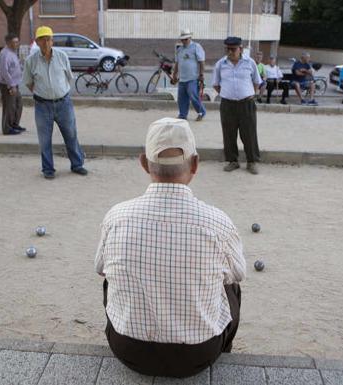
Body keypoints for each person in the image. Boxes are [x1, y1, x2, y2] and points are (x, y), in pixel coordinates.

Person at [95, 117, 245, 378]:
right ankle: (225, 351)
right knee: (231, 287)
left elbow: (100, 268)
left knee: (110, 278)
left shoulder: (116, 216)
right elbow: (238, 274)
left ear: (144, 163)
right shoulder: (218, 222)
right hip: (199, 354)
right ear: (195, 164)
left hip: (128, 349)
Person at [23, 26, 88, 179]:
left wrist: (58, 91)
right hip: (42, 106)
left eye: (48, 39)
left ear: (52, 41)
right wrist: (44, 92)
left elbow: (68, 77)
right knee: (44, 139)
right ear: (37, 42)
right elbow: (28, 82)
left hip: (63, 103)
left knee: (71, 134)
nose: (45, 42)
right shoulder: (30, 61)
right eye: (42, 39)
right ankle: (48, 169)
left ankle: (77, 165)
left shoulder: (62, 56)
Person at [212, 36, 263, 175]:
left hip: (246, 103)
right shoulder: (220, 64)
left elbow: (256, 81)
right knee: (229, 133)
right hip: (227, 104)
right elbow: (216, 84)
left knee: (249, 133)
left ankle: (251, 162)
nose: (230, 52)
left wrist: (250, 93)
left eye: (233, 49)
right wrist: (227, 94)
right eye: (227, 49)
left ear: (240, 49)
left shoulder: (250, 62)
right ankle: (233, 161)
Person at [172, 29, 206, 121]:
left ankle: (201, 112)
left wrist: (201, 74)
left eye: (186, 39)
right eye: (182, 39)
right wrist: (174, 75)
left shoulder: (196, 47)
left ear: (190, 38)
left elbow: (201, 61)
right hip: (182, 78)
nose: (184, 41)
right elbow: (177, 63)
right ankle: (183, 115)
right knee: (181, 98)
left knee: (193, 95)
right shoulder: (179, 49)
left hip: (193, 78)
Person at [0, 33, 25, 135]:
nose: (17, 44)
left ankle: (14, 124)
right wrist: (11, 86)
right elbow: (4, 71)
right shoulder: (5, 54)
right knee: (9, 106)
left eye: (18, 41)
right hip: (7, 85)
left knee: (18, 104)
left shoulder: (13, 52)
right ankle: (7, 128)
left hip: (15, 84)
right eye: (15, 42)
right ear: (8, 42)